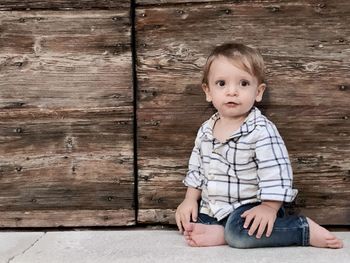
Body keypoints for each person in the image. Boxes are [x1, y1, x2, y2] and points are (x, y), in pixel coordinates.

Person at [175, 42, 343, 249]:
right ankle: (222, 232)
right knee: (190, 223)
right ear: (208, 91)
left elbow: (276, 171)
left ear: (258, 92)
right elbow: (197, 167)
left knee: (240, 233)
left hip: (252, 207)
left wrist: (269, 207)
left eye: (243, 84)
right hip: (215, 207)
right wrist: (190, 199)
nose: (232, 92)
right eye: (221, 84)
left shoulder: (261, 130)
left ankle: (302, 229)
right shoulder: (205, 130)